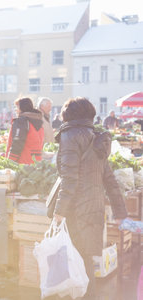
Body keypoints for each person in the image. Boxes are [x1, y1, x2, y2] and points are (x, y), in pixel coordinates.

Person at [53, 97, 127, 298]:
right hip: (94, 207)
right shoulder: (96, 138)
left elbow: (69, 178)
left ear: (68, 115)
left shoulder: (70, 136)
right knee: (84, 262)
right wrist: (120, 212)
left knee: (77, 261)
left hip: (75, 209)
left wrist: (59, 211)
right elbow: (109, 179)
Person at [6, 97, 44, 164]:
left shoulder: (22, 122)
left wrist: (10, 161)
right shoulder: (38, 121)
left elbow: (17, 143)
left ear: (22, 108)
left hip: (23, 162)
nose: (16, 110)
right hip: (36, 161)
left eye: (17, 107)